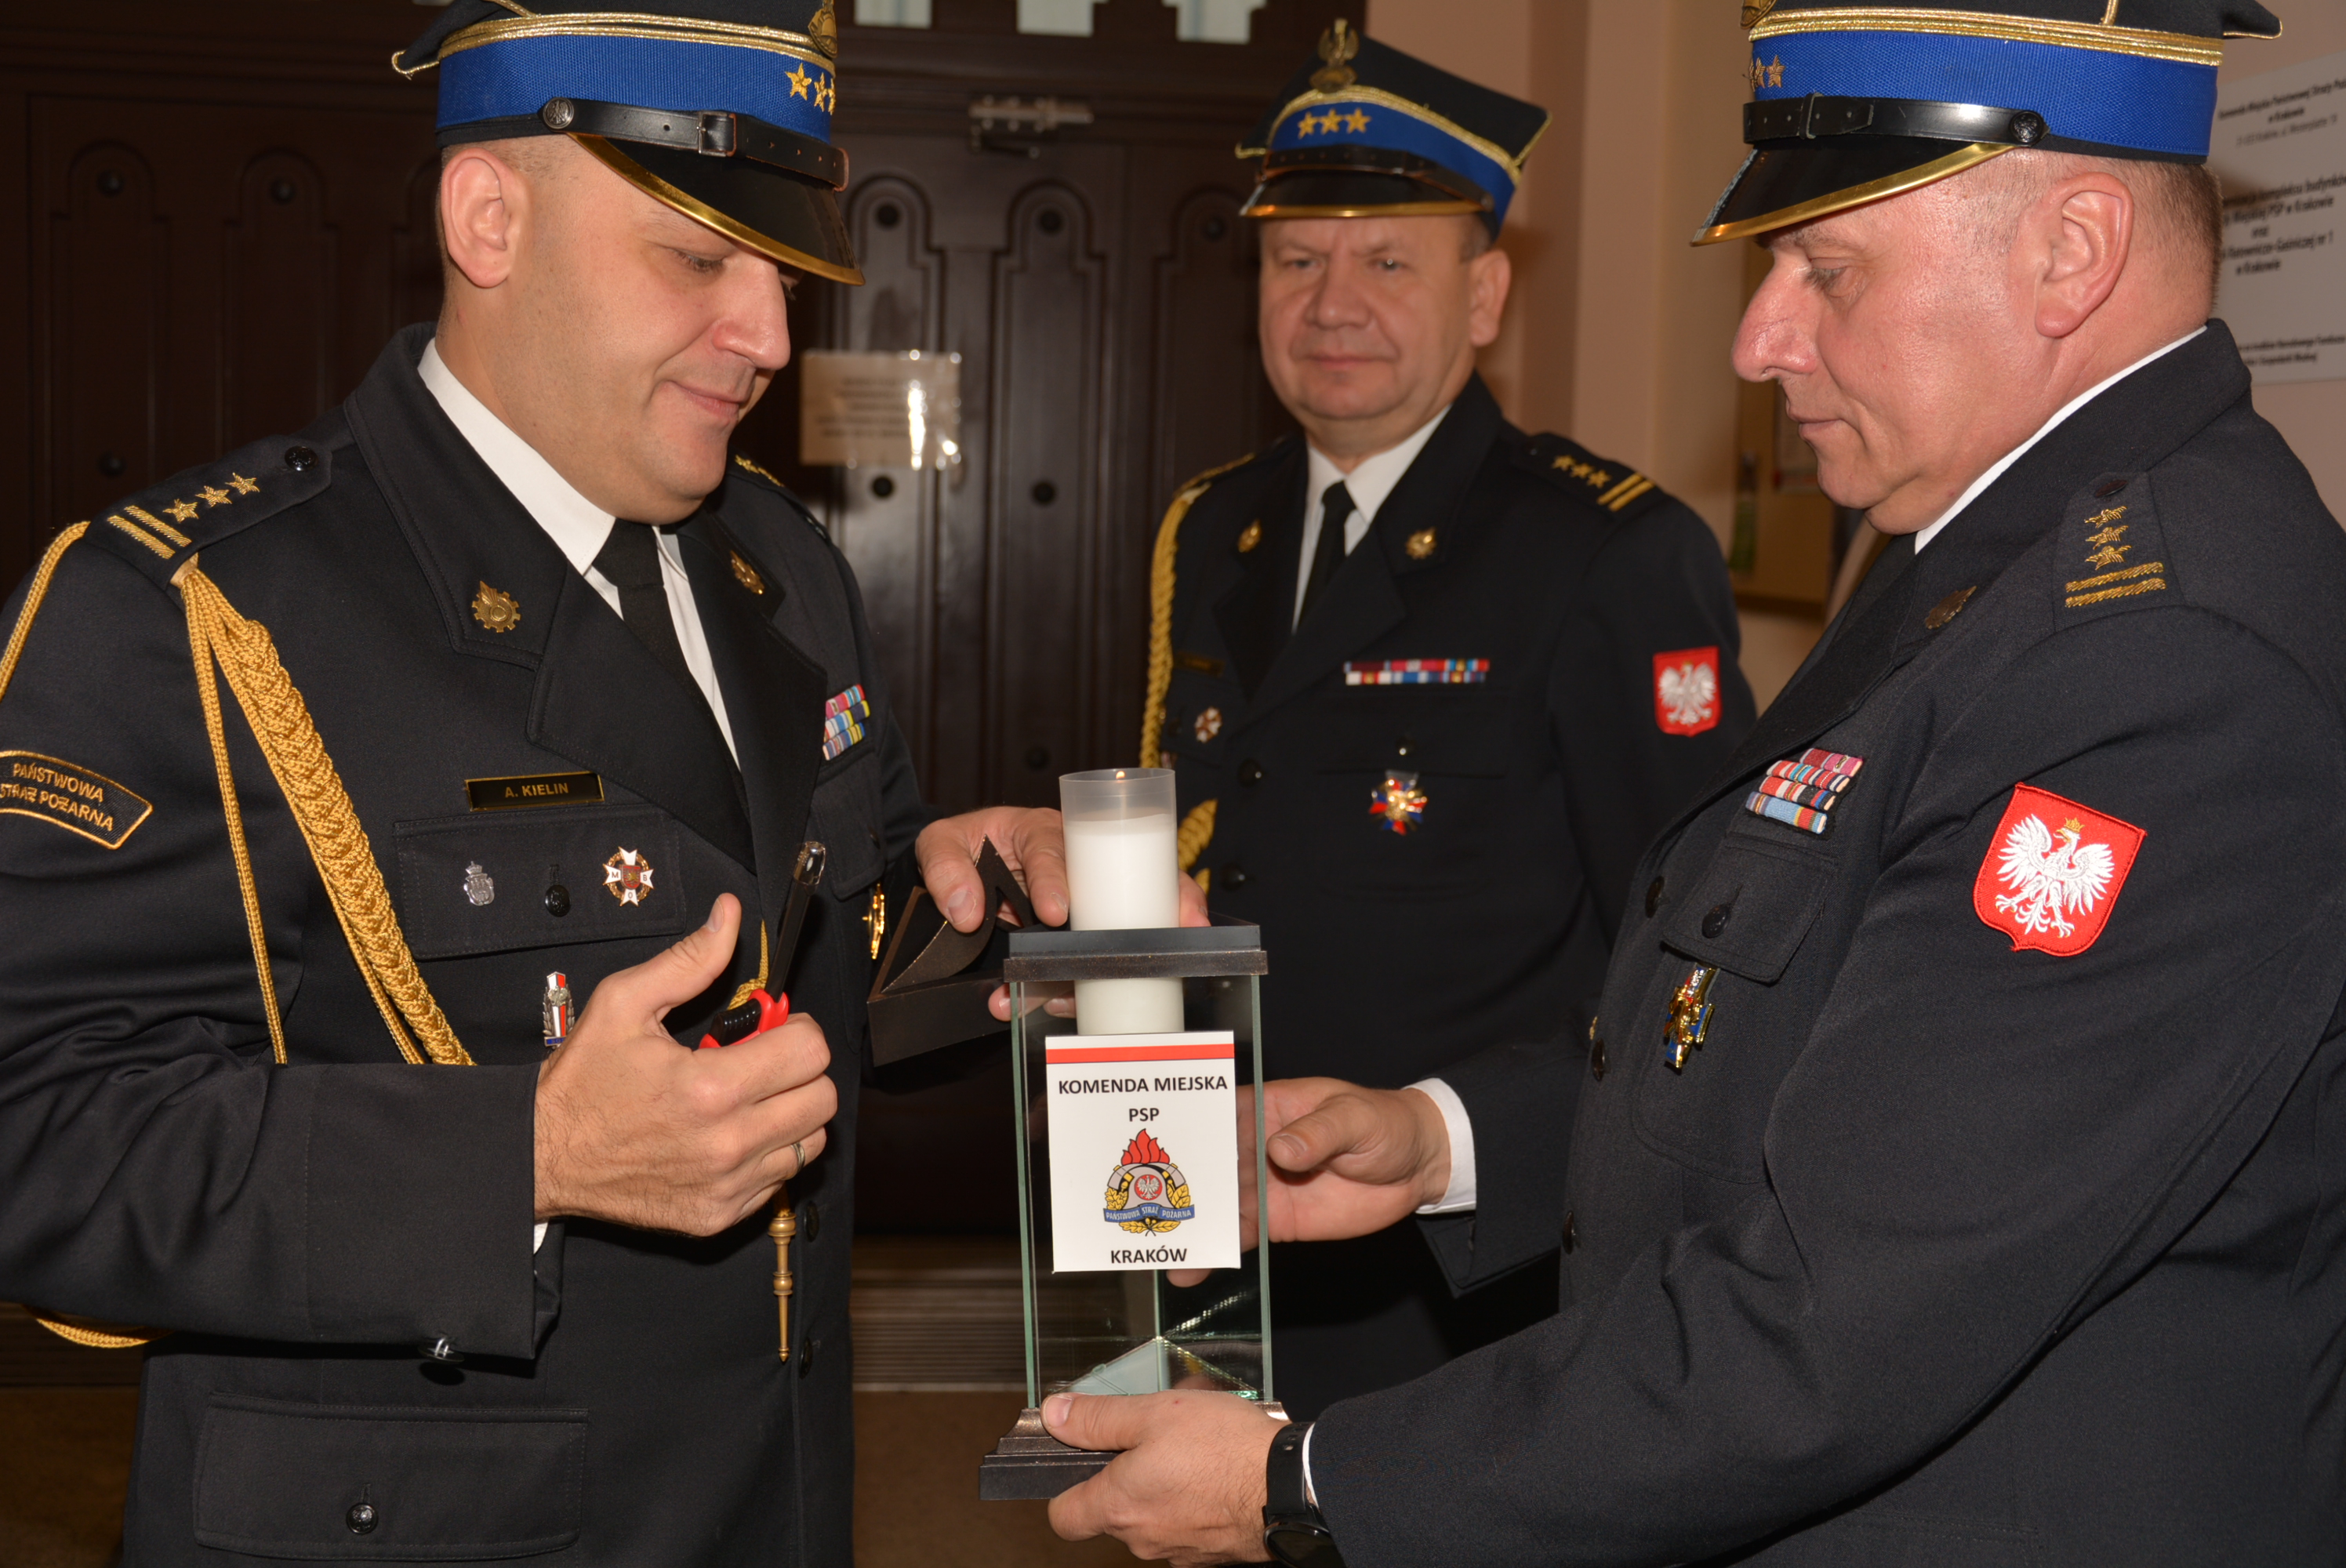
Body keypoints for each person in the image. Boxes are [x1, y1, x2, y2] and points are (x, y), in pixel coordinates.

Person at [1042, 2, 2346, 1564]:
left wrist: (1307, 1482)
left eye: (1825, 271)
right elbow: (1777, 1040)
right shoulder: (1983, 554)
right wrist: (1450, 1138)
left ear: (2069, 253)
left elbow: (1841, 1308)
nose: (1756, 340)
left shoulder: (2154, 661)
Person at [0, 2, 1073, 1560]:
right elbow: (39, 1138)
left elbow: (824, 936)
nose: (770, 337)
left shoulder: (779, 565)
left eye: (784, 273)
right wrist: (529, 1158)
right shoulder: (189, 608)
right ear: (487, 219)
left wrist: (983, 899)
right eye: (697, 259)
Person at [1140, 20, 1752, 1418]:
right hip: (1214, 1216)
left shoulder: (1607, 553)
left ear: (1485, 297)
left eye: (1387, 263)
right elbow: (1201, 846)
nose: (1331, 304)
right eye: (1297, 261)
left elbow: (1691, 955)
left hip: (1462, 1272)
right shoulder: (1212, 528)